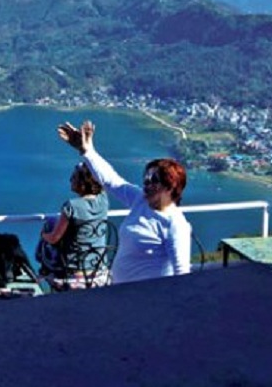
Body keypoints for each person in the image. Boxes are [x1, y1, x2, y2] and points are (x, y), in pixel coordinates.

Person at [58, 119, 191, 283]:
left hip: (149, 299)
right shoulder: (141, 200)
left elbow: (182, 274)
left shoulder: (175, 224)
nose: (146, 183)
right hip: (121, 290)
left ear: (170, 186)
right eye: (146, 178)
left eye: (153, 180)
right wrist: (86, 151)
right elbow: (111, 181)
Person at [37, 162, 110, 290]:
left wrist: (43, 234)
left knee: (48, 231)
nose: (70, 180)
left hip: (75, 272)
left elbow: (54, 238)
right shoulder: (104, 200)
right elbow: (102, 180)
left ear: (82, 184)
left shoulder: (71, 206)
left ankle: (45, 273)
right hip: (99, 269)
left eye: (74, 177)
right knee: (53, 222)